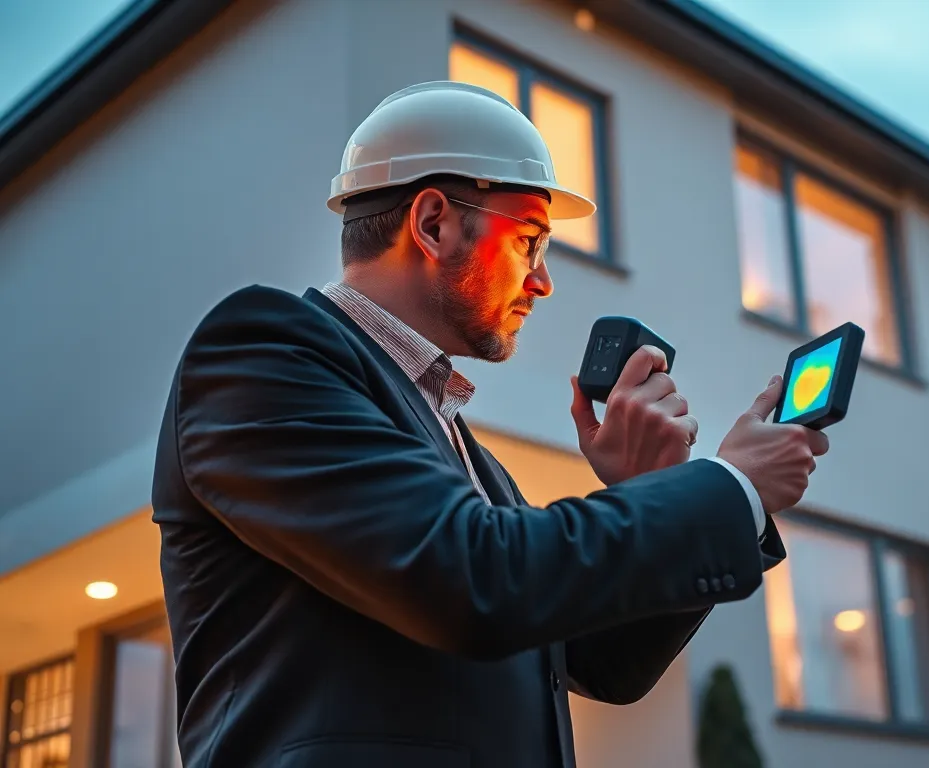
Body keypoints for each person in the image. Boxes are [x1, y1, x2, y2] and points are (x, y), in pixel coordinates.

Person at [150, 81, 829, 768]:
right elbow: (471, 579)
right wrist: (729, 485)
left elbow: (603, 664)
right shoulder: (261, 349)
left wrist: (652, 492)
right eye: (530, 240)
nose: (542, 281)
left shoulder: (465, 455)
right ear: (434, 223)